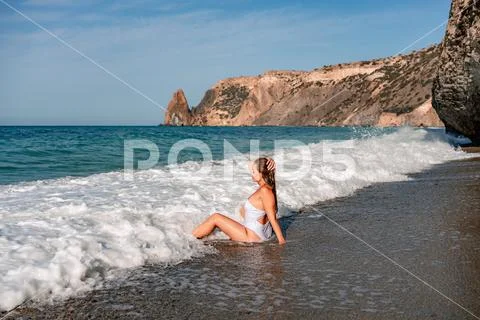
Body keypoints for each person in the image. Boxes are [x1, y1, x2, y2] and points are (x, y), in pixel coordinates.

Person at [192, 157, 286, 245]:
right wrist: (269, 161)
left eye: (253, 172)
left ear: (261, 173)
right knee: (241, 210)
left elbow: (273, 219)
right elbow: (251, 164)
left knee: (215, 217)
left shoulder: (265, 191)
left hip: (252, 237)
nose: (251, 174)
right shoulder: (269, 188)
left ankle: (190, 239)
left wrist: (281, 241)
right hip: (261, 232)